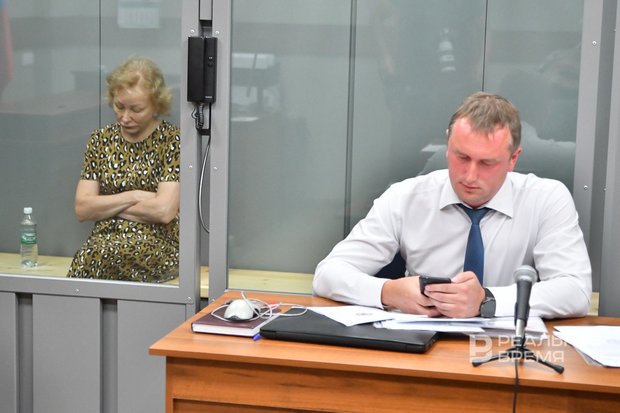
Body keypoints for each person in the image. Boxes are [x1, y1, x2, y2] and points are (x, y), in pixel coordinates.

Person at [313, 92, 592, 319]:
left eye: (487, 163)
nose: (470, 176)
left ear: (513, 159)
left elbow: (576, 291)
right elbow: (328, 274)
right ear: (447, 145)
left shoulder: (545, 199)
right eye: (462, 157)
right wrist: (388, 291)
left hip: (504, 351)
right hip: (420, 346)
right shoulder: (405, 197)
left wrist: (487, 300)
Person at [67, 57, 180, 282]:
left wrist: (106, 205)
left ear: (157, 105)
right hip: (102, 241)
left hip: (157, 243)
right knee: (91, 257)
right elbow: (82, 209)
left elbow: (163, 211)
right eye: (119, 106)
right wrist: (134, 196)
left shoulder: (172, 140)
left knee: (105, 257)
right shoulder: (100, 140)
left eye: (136, 109)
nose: (125, 117)